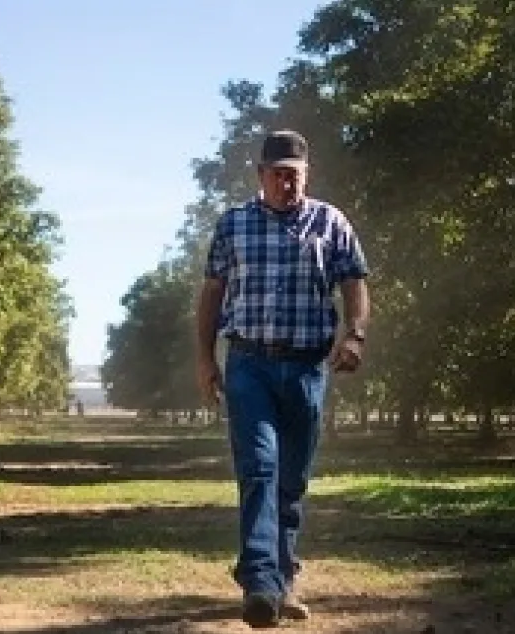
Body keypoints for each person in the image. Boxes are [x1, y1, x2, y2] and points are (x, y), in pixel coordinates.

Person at [193, 129, 370, 628]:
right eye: (278, 175)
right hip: (249, 364)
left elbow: (355, 282)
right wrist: (205, 359)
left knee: (291, 480)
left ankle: (282, 580)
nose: (286, 185)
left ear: (305, 176)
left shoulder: (330, 222)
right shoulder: (233, 225)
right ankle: (259, 583)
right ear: (260, 176)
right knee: (260, 469)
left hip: (308, 369)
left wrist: (353, 335)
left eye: (294, 176)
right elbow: (212, 293)